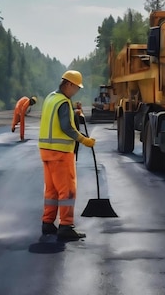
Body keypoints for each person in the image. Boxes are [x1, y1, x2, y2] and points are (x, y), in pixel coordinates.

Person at [38, 70, 96, 241]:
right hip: (60, 153)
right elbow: (66, 127)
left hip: (46, 151)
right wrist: (84, 140)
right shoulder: (63, 102)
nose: (77, 91)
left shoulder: (51, 98)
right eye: (76, 87)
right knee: (67, 191)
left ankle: (48, 223)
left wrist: (74, 114)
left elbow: (58, 120)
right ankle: (66, 226)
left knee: (51, 190)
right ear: (69, 84)